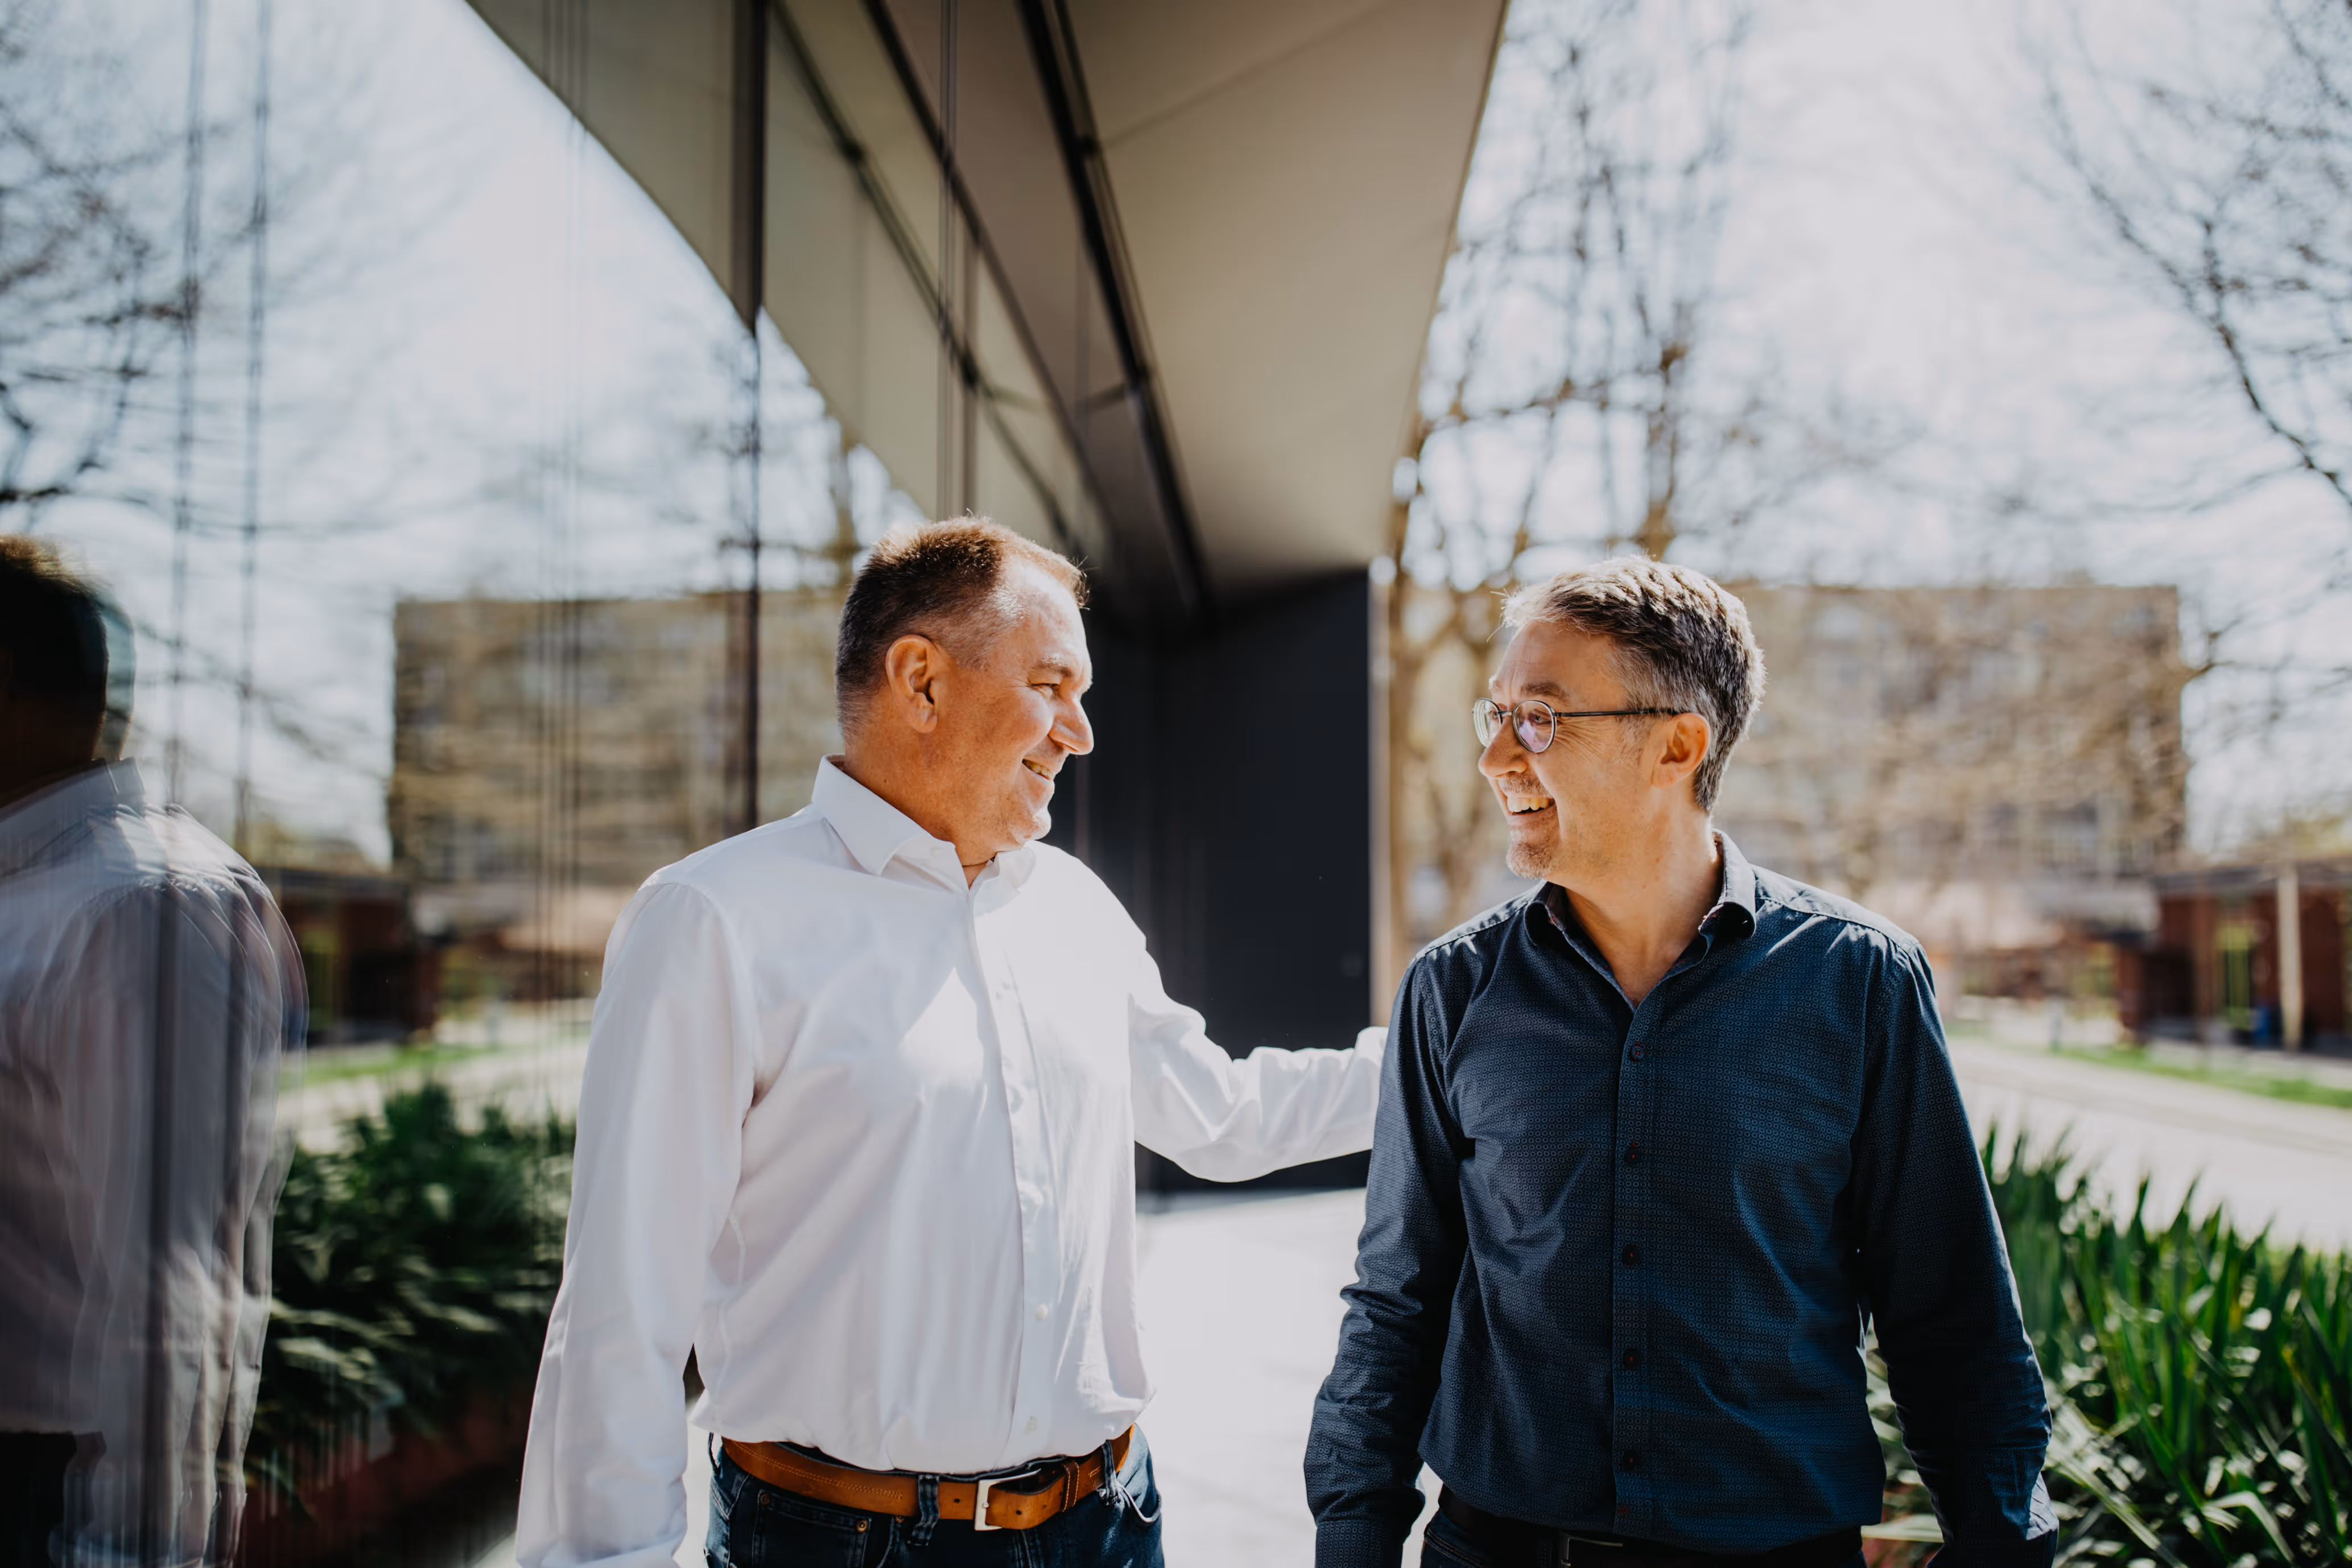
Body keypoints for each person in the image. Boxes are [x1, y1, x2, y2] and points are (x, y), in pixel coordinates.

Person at [517, 517, 1383, 1568]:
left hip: (1110, 1525)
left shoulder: (1073, 906)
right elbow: (621, 1305)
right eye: (1051, 686)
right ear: (920, 681)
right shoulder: (713, 919)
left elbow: (1222, 1118)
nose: (1081, 732)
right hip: (839, 1546)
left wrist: (1447, 1043)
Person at [1307, 559, 2055, 1568]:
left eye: (1539, 719)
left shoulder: (1859, 982)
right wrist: (1352, 1538)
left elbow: (1950, 1310)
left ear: (1676, 745)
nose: (1495, 759)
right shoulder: (1451, 989)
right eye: (1496, 717)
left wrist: (2003, 1542)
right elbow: (1397, 1297)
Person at [0, 537, 302, 1566]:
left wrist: (131, 1551)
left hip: (41, 1496)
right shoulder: (37, 896)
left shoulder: (141, 911)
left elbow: (171, 1292)